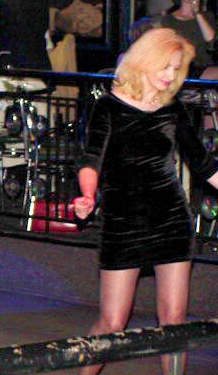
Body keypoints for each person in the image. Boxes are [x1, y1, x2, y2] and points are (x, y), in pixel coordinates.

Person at [73, 27, 218, 375]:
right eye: (165, 66)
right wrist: (88, 195)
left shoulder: (174, 110)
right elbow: (91, 159)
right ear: (145, 60)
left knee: (174, 324)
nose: (170, 75)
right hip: (123, 221)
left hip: (171, 219)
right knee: (112, 322)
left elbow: (203, 163)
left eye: (176, 68)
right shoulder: (109, 106)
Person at [160, 0, 216, 79]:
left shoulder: (207, 17)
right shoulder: (168, 20)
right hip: (178, 67)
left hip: (203, 69)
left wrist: (197, 13)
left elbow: (211, 41)